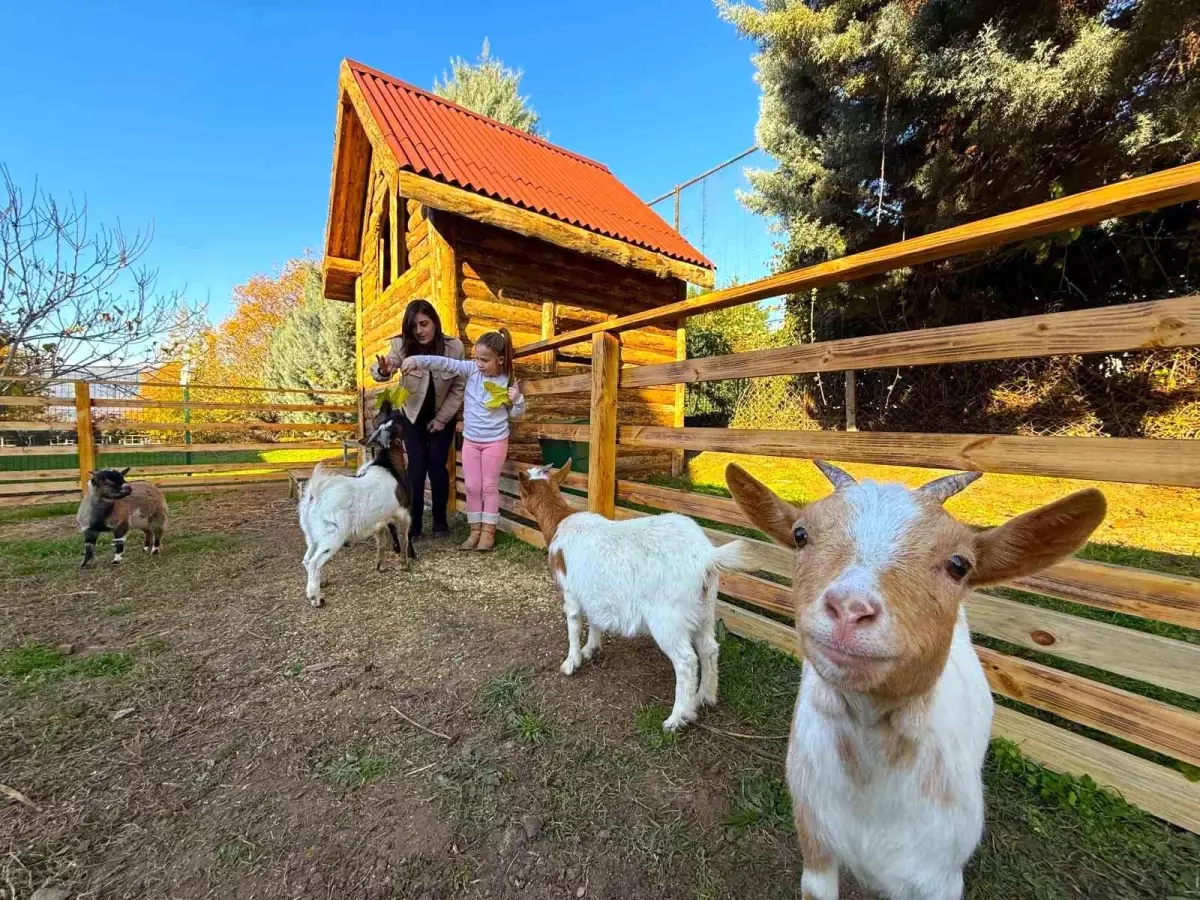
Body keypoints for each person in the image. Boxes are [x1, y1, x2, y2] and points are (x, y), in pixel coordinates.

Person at [401, 328, 525, 552]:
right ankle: (474, 531)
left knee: (488, 486)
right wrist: (417, 360)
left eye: (484, 360)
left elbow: (515, 414)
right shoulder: (470, 370)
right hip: (471, 440)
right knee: (472, 486)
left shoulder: (508, 381)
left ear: (500, 359)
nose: (478, 363)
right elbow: (444, 363)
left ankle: (488, 533)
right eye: (477, 357)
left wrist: (517, 401)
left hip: (495, 440)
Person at [371, 299, 465, 541]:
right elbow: (383, 370)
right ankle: (413, 527)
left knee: (437, 467)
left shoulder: (454, 347)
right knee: (415, 468)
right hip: (411, 417)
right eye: (414, 326)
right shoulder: (401, 346)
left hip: (441, 418)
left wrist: (443, 419)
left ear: (435, 321)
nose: (419, 331)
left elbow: (458, 387)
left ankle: (440, 524)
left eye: (424, 324)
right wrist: (383, 370)